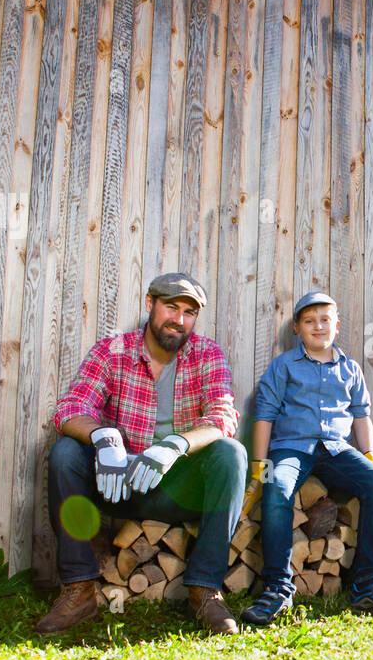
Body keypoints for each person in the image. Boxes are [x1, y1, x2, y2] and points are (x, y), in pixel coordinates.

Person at [38, 272, 247, 636]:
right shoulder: (111, 350)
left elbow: (222, 416)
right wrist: (104, 438)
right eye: (171, 307)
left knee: (231, 453)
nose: (179, 320)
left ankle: (204, 591)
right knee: (66, 453)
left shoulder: (207, 354)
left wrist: (176, 445)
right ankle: (79, 589)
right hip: (118, 485)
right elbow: (70, 408)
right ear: (150, 304)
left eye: (188, 312)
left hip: (176, 489)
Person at [239, 291, 373, 625]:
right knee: (277, 487)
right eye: (309, 321)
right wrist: (259, 467)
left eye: (324, 320)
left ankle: (367, 584)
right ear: (297, 328)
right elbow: (264, 414)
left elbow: (361, 414)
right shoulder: (284, 366)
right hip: (291, 448)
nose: (318, 326)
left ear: (336, 325)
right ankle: (277, 587)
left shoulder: (350, 369)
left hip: (337, 450)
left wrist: (370, 455)